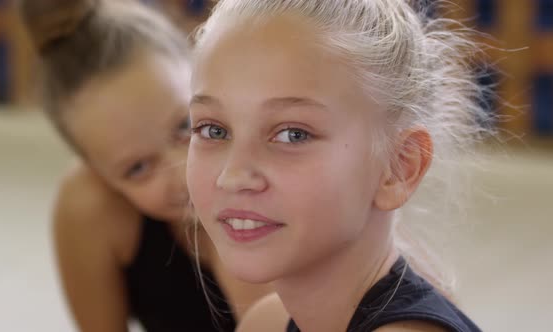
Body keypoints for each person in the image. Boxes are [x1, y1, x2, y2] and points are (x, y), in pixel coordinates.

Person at [187, 0, 492, 331]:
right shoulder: (268, 322)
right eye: (213, 130)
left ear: (399, 167)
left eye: (293, 134)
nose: (233, 176)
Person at [19, 0, 271, 331]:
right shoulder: (91, 203)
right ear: (102, 174)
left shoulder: (288, 165)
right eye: (138, 168)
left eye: (185, 126)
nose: (184, 172)